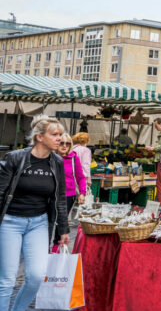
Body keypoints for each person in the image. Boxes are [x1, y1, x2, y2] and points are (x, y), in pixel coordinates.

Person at [0, 116, 70, 311]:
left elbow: (60, 198)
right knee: (6, 280)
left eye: (60, 134)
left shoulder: (57, 162)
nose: (60, 139)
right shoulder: (15, 158)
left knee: (36, 276)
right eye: (55, 135)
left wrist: (63, 229)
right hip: (9, 222)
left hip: (39, 223)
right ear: (39, 137)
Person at [57, 133, 86, 219]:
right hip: (51, 195)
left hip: (68, 195)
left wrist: (82, 193)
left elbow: (81, 177)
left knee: (61, 221)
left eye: (68, 143)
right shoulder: (50, 157)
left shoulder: (74, 158)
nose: (64, 146)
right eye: (61, 143)